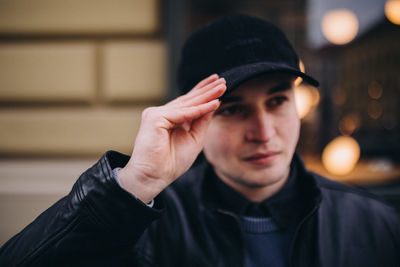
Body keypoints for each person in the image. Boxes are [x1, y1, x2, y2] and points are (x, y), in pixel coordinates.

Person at [0, 14, 399, 267]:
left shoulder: (372, 223)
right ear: (191, 119)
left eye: (277, 101)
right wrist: (134, 184)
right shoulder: (146, 225)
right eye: (232, 109)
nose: (263, 132)